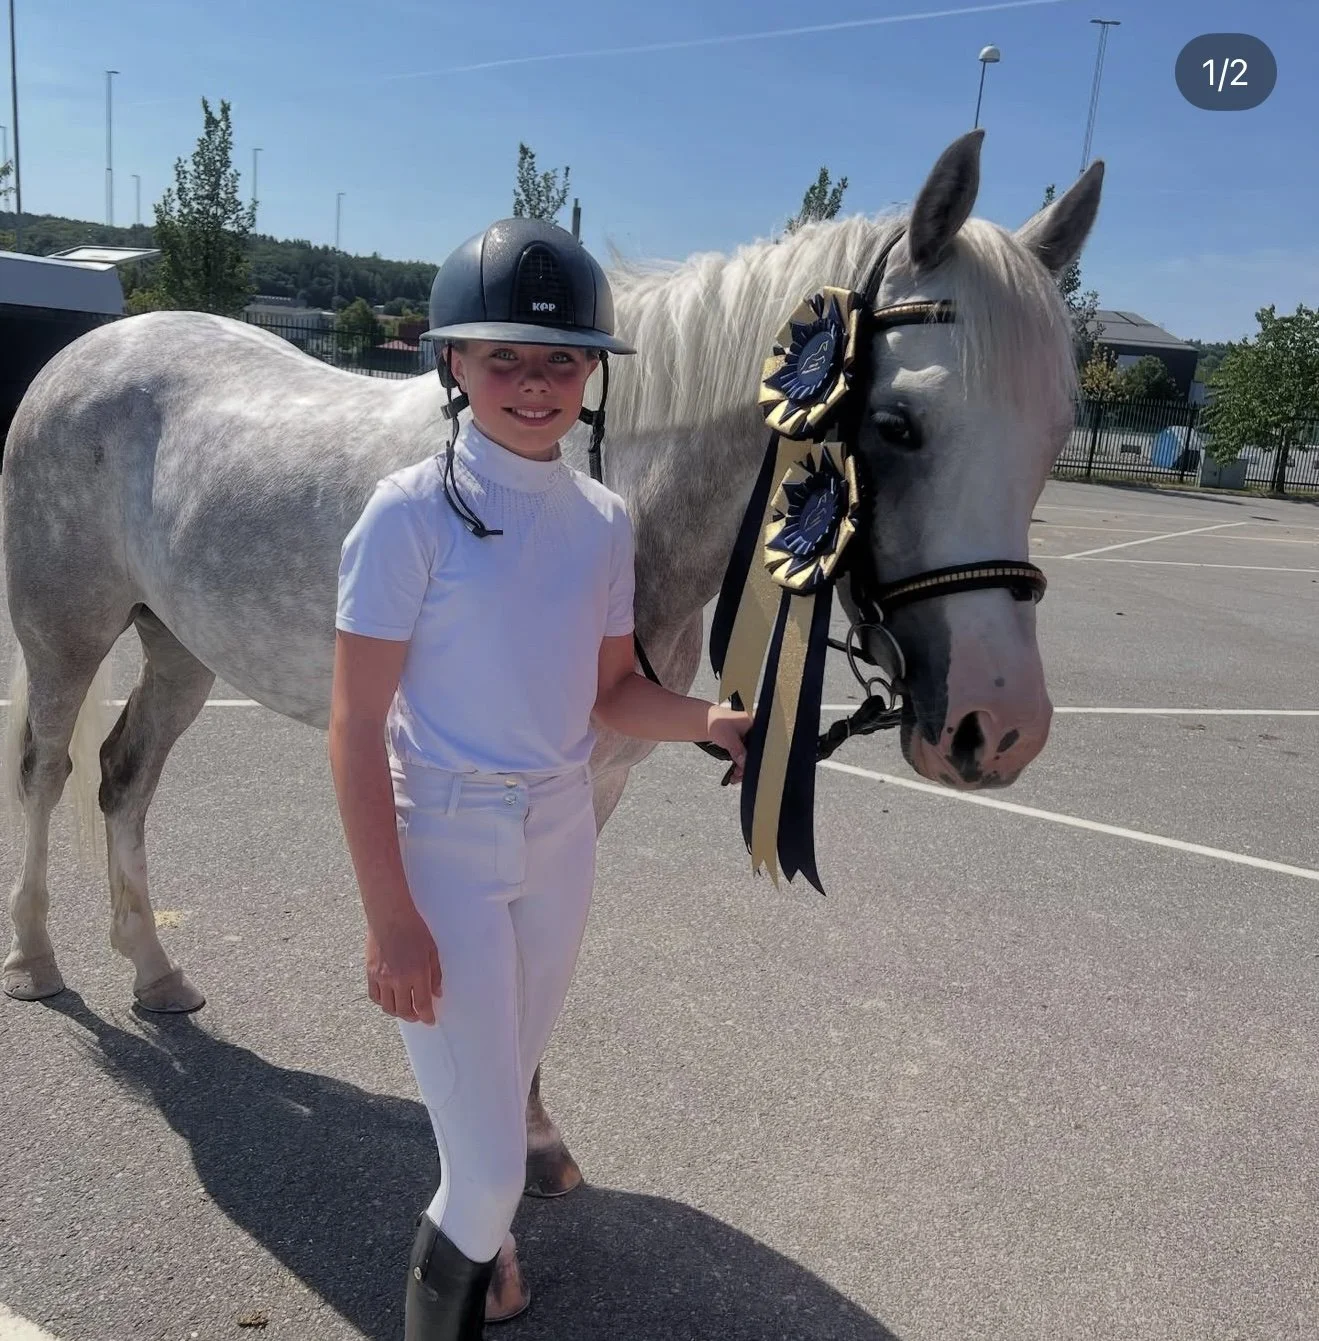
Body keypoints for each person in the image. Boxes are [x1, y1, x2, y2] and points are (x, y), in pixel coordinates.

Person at [328, 217, 752, 1341]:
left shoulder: (602, 522)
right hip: (447, 856)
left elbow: (609, 694)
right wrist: (390, 919)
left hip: (560, 846)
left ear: (590, 376)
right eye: (502, 356)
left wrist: (711, 719)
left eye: (559, 358)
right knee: (484, 1187)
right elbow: (354, 723)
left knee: (501, 1125)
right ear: (453, 364)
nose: (532, 381)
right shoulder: (407, 513)